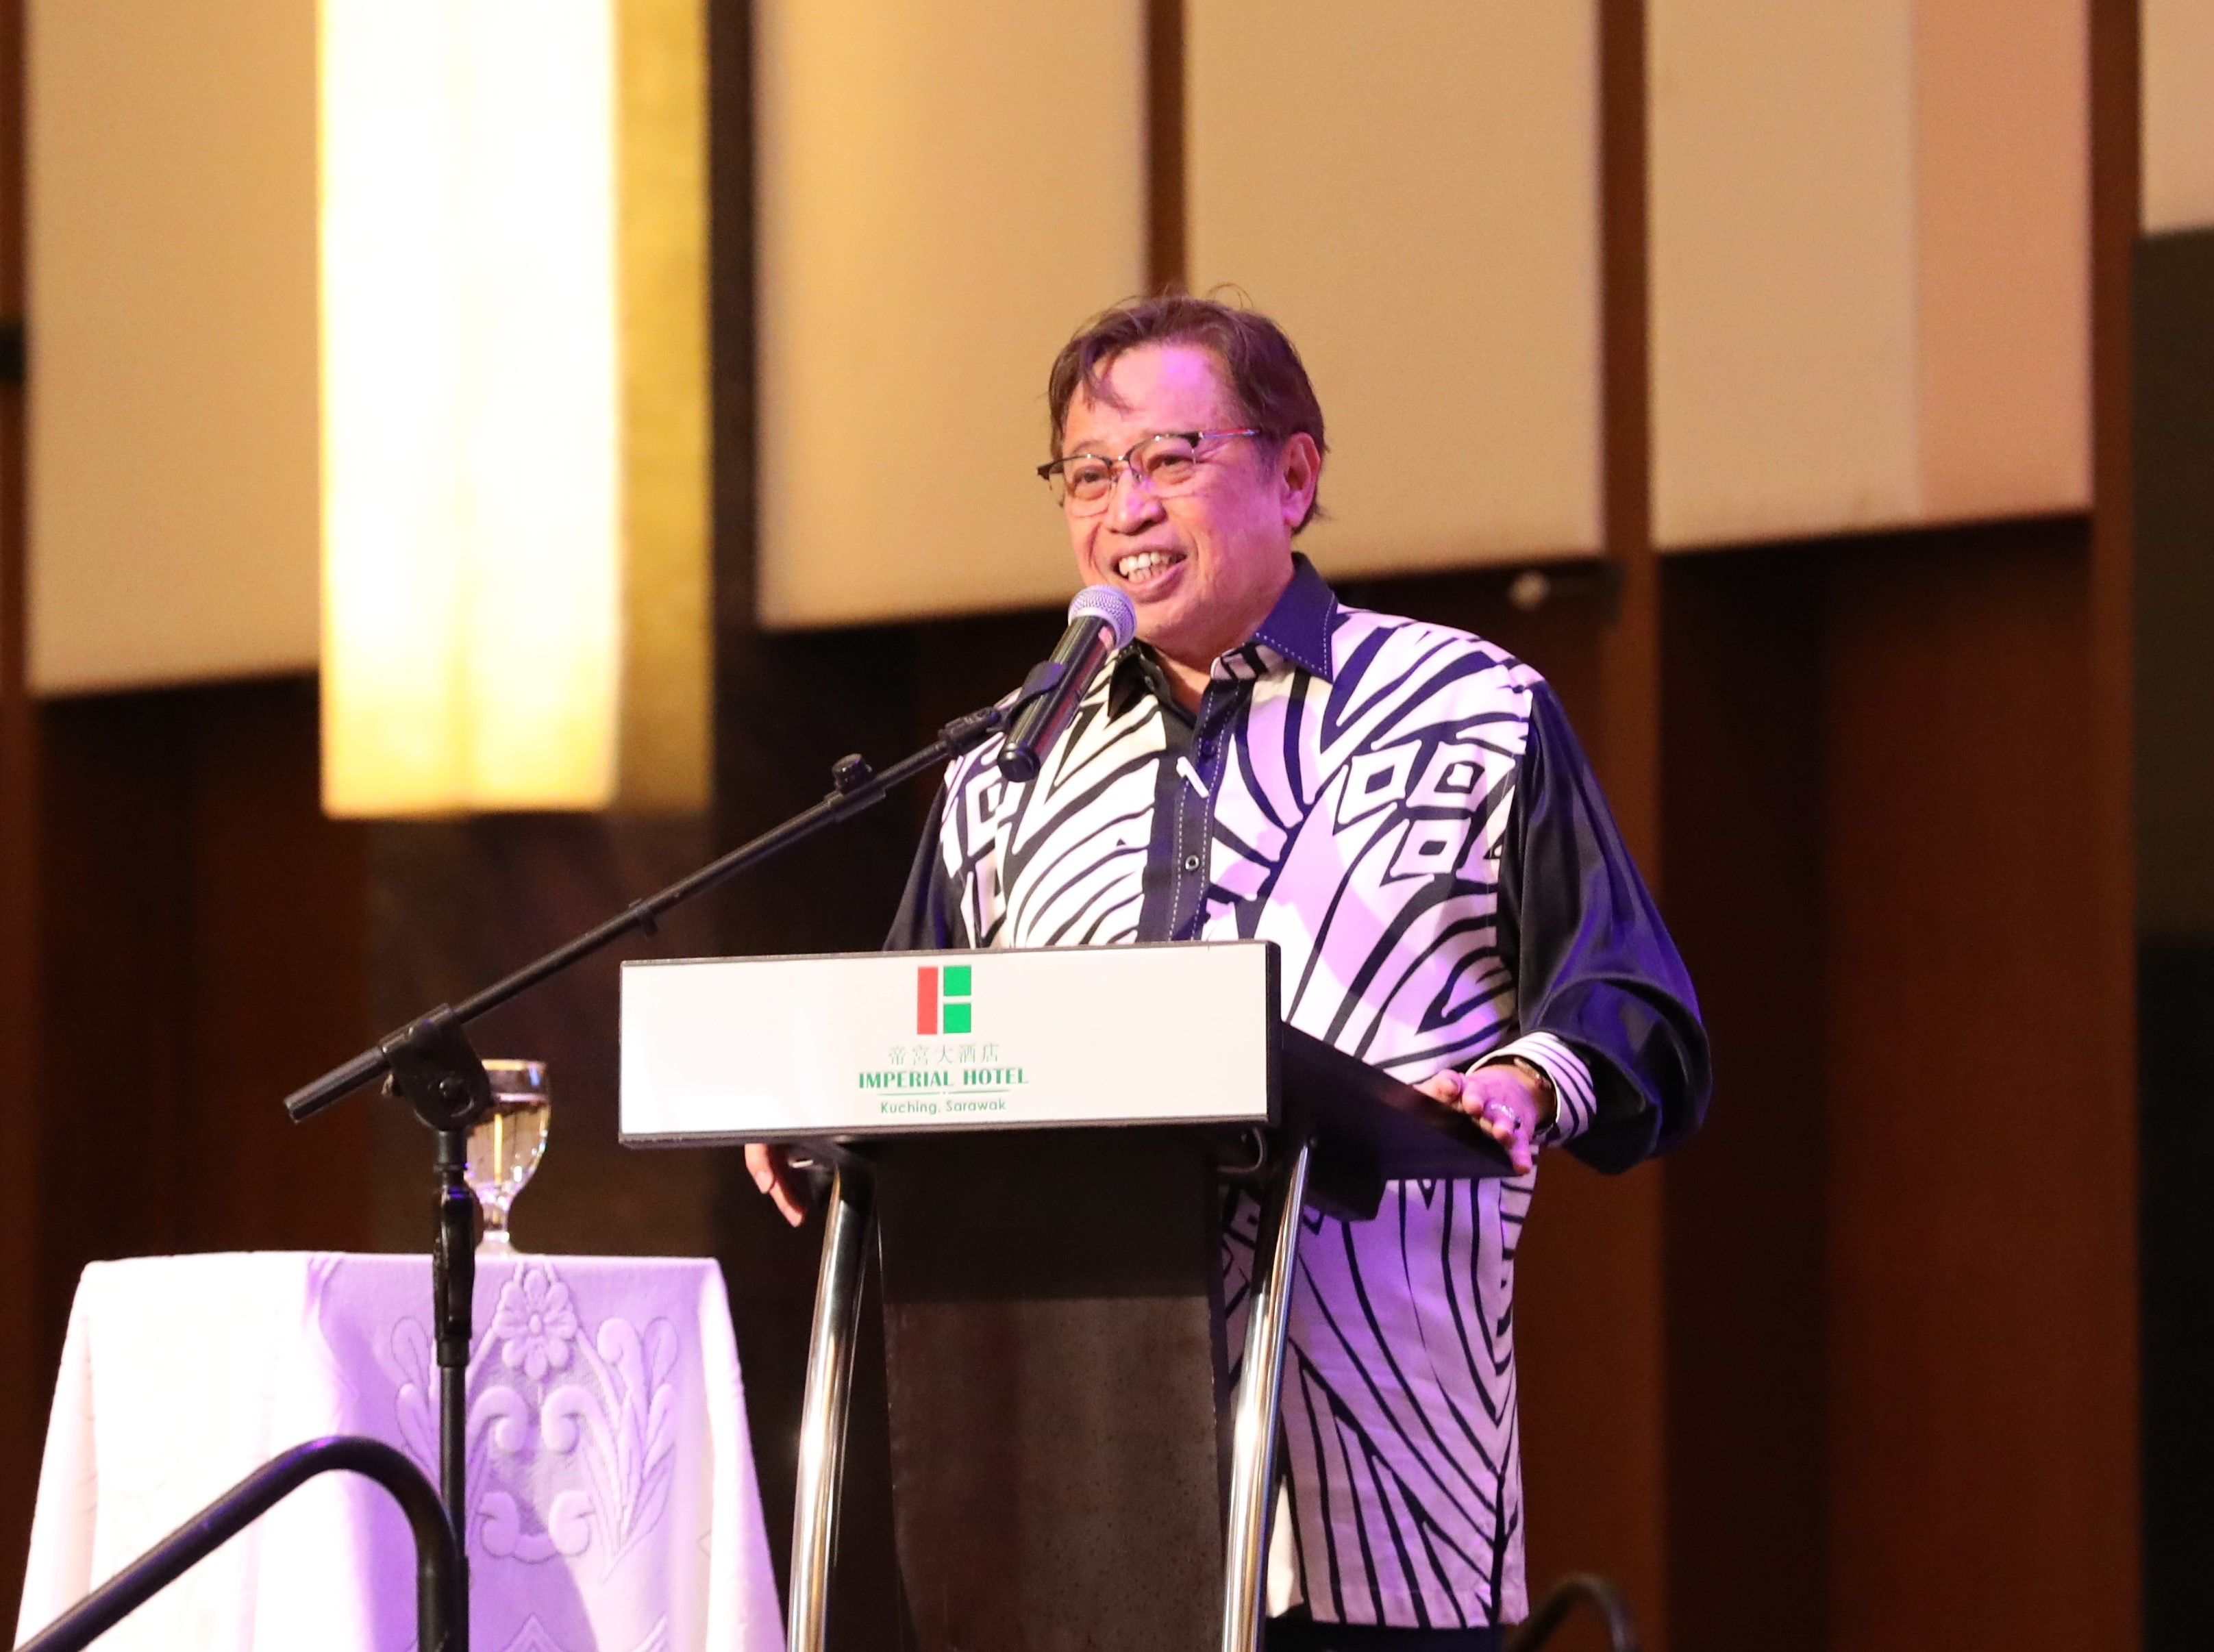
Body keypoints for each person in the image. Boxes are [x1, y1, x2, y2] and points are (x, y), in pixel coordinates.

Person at [747, 293, 1709, 1650]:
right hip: (1063, 1485)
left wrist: (1528, 1080)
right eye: (1089, 473)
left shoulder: (1472, 711)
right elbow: (918, 1035)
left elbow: (1637, 1011)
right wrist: (825, 1104)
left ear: (1294, 476)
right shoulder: (1006, 768)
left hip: (1380, 1480)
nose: (1125, 508)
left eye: (1169, 458)